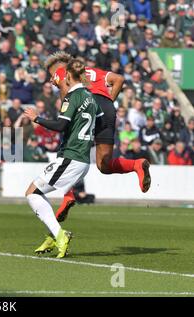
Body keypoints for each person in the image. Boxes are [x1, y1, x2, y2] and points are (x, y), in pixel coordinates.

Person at [45, 51, 151, 222]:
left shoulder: (61, 71)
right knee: (104, 164)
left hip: (84, 105)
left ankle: (68, 195)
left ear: (58, 67)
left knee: (68, 151)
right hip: (107, 108)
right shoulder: (92, 71)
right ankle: (136, 164)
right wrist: (107, 102)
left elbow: (67, 95)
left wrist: (64, 105)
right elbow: (119, 79)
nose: (52, 79)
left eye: (51, 75)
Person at [23, 59, 103, 258]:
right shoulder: (91, 97)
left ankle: (59, 236)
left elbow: (60, 126)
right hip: (82, 158)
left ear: (67, 76)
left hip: (71, 156)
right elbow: (101, 123)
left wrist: (36, 119)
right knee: (35, 192)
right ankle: (54, 235)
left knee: (32, 193)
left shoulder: (72, 97)